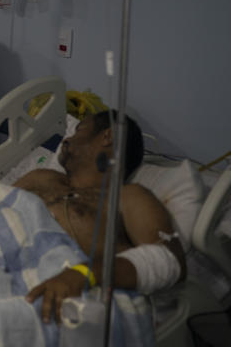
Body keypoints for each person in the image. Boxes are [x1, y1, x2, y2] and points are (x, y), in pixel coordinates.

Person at [16, 111, 186, 324]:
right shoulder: (39, 178)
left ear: (108, 136)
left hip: (38, 296)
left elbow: (169, 261)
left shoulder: (127, 197)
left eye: (79, 130)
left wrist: (84, 273)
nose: (67, 139)